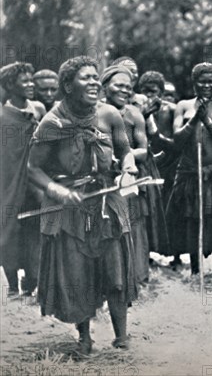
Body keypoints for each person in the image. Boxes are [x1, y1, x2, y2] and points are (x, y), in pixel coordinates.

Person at [28, 56, 138, 353]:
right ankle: (85, 337)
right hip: (70, 207)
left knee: (114, 269)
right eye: (85, 78)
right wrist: (59, 192)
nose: (93, 83)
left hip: (106, 202)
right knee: (77, 272)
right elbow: (33, 168)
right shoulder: (52, 123)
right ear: (67, 86)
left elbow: (125, 151)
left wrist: (129, 170)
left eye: (95, 77)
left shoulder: (110, 114)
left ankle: (122, 335)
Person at [167, 63, 212, 274]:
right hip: (190, 170)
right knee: (191, 218)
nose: (206, 85)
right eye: (201, 81)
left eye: (210, 82)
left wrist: (207, 120)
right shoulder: (183, 106)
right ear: (194, 83)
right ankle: (196, 269)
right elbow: (177, 139)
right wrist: (195, 119)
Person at [101, 65, 151, 284]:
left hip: (128, 177)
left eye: (128, 87)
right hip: (101, 180)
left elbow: (143, 149)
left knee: (133, 223)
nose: (124, 90)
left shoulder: (134, 114)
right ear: (104, 87)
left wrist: (123, 156)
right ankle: (110, 278)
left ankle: (135, 275)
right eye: (118, 85)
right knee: (107, 226)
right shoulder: (94, 112)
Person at [0, 62, 45, 297]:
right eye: (24, 81)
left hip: (33, 179)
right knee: (10, 229)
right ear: (9, 84)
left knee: (34, 227)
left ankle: (32, 278)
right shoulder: (1, 114)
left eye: (31, 80)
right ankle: (12, 285)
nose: (30, 85)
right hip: (7, 181)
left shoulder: (38, 109)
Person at [137, 71, 171, 257]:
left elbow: (172, 139)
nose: (149, 96)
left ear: (161, 91)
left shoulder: (169, 110)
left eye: (153, 91)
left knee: (166, 207)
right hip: (148, 164)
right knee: (148, 208)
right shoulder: (136, 108)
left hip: (168, 163)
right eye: (145, 91)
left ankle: (170, 252)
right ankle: (147, 252)